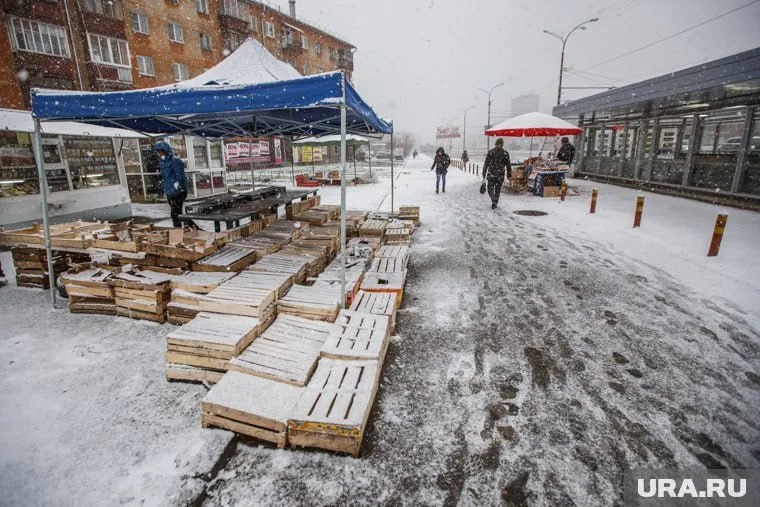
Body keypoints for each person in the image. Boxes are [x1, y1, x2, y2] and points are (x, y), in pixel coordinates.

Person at [155, 140, 187, 227]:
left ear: (165, 150)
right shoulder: (162, 162)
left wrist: (176, 188)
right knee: (178, 214)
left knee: (175, 215)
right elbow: (165, 177)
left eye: (159, 151)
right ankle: (189, 229)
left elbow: (180, 177)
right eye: (157, 152)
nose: (158, 154)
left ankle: (178, 232)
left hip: (178, 192)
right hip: (169, 191)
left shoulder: (175, 161)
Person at [482, 138, 511, 209]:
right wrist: (509, 174)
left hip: (491, 173)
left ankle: (493, 198)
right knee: (498, 190)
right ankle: (494, 203)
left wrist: (484, 174)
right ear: (502, 144)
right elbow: (508, 165)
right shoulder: (505, 153)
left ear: (495, 144)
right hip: (500, 174)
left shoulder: (491, 152)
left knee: (490, 189)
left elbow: (486, 164)